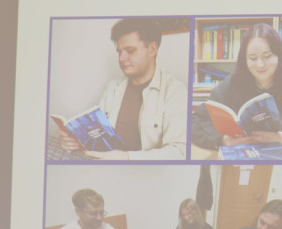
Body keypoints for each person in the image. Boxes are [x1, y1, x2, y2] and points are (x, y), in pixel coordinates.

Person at [191, 23, 282, 154]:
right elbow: (196, 122)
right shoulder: (231, 84)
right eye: (253, 58)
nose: (260, 65)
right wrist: (222, 140)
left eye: (267, 56)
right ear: (244, 59)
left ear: (279, 55)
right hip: (243, 158)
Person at [57, 17, 187, 160]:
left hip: (146, 170)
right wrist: (73, 141)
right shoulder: (112, 88)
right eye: (119, 52)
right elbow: (96, 136)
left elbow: (178, 152)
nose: (121, 58)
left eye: (130, 51)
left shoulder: (174, 91)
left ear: (152, 49)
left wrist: (127, 157)